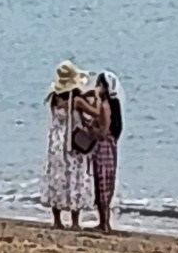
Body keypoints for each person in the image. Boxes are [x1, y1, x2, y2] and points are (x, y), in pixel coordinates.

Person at [42, 61, 98, 228]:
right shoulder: (77, 101)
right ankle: (74, 221)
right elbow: (93, 114)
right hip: (71, 142)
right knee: (75, 178)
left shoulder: (54, 99)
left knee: (57, 178)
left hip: (56, 141)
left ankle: (57, 219)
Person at [88, 69, 125, 233]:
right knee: (106, 182)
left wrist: (91, 130)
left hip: (103, 146)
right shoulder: (113, 105)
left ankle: (104, 222)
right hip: (110, 146)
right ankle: (105, 222)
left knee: (101, 181)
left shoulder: (105, 105)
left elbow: (103, 132)